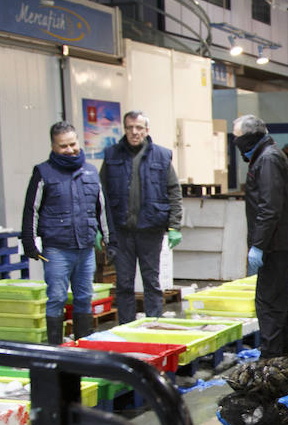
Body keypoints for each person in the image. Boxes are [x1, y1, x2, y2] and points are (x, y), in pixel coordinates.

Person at [21, 121, 111, 345]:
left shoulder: (90, 171)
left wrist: (110, 239)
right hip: (56, 249)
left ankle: (83, 346)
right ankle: (55, 348)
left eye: (73, 144)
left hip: (85, 248)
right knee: (57, 298)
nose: (70, 150)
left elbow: (101, 209)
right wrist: (30, 243)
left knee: (84, 297)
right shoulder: (43, 172)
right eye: (64, 146)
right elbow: (31, 209)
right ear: (53, 146)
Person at [99, 111, 182, 323]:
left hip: (151, 229)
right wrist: (99, 229)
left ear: (146, 130)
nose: (134, 132)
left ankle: (154, 325)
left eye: (139, 128)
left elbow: (174, 191)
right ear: (124, 129)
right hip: (121, 231)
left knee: (151, 282)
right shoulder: (111, 156)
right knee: (124, 284)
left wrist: (174, 226)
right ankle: (126, 328)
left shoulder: (162, 156)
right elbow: (100, 194)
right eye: (130, 128)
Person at [235, 115, 288, 358]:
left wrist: (259, 245)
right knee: (279, 303)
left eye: (238, 137)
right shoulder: (266, 156)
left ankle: (271, 359)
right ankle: (287, 358)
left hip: (275, 245)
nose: (236, 142)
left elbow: (270, 206)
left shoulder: (268, 159)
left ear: (250, 136)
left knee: (268, 304)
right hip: (278, 243)